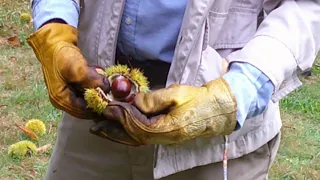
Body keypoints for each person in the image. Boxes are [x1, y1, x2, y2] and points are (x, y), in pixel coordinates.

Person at [27, 0, 320, 180]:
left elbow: (305, 8)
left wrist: (235, 93)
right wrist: (55, 29)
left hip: (212, 144)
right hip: (97, 107)